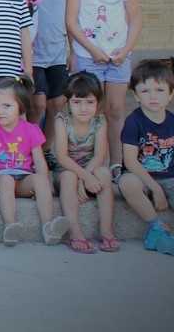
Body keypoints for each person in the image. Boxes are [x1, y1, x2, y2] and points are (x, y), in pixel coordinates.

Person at [118, 60, 174, 259]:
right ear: (135, 95)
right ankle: (156, 226)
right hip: (141, 177)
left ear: (170, 94)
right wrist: (154, 187)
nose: (152, 96)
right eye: (145, 91)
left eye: (159, 90)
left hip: (170, 178)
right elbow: (130, 161)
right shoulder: (133, 122)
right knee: (126, 182)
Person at [66, 0, 139, 173]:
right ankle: (89, 162)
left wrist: (126, 49)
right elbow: (71, 21)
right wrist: (91, 50)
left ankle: (117, 162)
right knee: (89, 110)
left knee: (115, 109)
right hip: (89, 57)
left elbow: (136, 19)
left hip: (118, 57)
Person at [0, 76, 65, 246]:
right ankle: (10, 226)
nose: (0, 111)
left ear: (21, 106)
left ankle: (48, 226)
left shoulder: (31, 130)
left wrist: (45, 185)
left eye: (7, 106)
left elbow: (39, 162)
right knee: (7, 180)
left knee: (39, 179)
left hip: (23, 178)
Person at [52, 72, 119, 254]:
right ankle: (75, 232)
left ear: (98, 103)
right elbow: (62, 157)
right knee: (69, 177)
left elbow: (99, 156)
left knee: (104, 173)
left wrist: (85, 179)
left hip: (91, 170)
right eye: (77, 102)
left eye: (90, 102)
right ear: (68, 103)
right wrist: (82, 177)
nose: (83, 108)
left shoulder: (99, 121)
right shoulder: (62, 121)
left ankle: (106, 230)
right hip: (65, 170)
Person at [29, 0, 71, 127]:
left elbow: (71, 22)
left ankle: (46, 150)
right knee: (38, 105)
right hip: (33, 56)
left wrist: (72, 53)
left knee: (58, 104)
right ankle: (31, 149)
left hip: (58, 55)